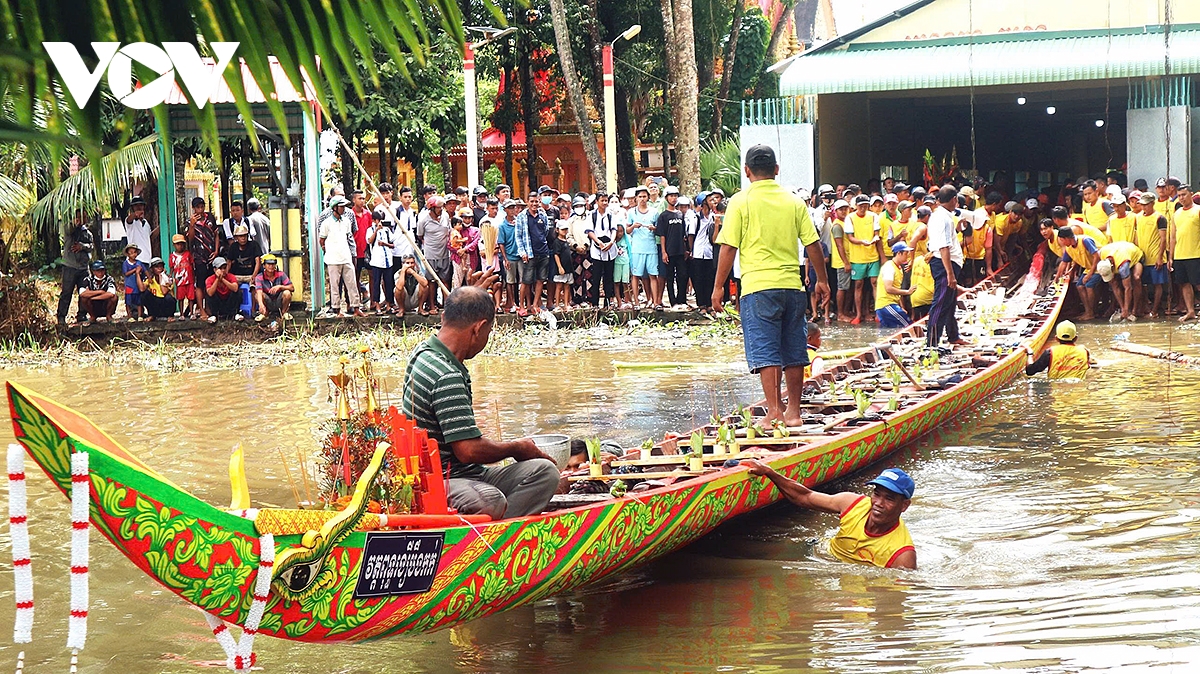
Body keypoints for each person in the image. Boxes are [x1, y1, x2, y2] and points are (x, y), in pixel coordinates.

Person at [401, 285, 559, 519]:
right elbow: (468, 450)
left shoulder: (422, 351)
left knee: (545, 472)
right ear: (479, 328)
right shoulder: (447, 375)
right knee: (490, 500)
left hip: (464, 474)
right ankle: (497, 540)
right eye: (489, 331)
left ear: (444, 317)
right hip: (443, 480)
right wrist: (517, 448)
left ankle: (502, 525)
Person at [711, 144, 829, 428]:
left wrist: (717, 288)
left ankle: (775, 411)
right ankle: (794, 413)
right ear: (776, 170)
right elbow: (812, 244)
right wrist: (822, 281)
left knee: (766, 349)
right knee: (793, 348)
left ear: (747, 171)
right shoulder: (794, 201)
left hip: (758, 286)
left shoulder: (739, 201)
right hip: (792, 285)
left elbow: (728, 248)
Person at [743, 460, 916, 569]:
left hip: (850, 587)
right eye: (876, 494)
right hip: (817, 551)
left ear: (904, 506)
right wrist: (769, 472)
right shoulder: (852, 503)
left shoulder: (903, 556)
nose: (878, 503)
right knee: (751, 552)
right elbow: (805, 496)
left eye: (889, 499)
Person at [927, 185, 967, 347]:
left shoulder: (943, 216)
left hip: (948, 263)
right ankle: (931, 343)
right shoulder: (942, 218)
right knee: (941, 303)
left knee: (949, 302)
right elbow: (944, 248)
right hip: (944, 264)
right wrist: (950, 274)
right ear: (954, 200)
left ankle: (953, 335)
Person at [318, 195, 366, 317]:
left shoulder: (346, 221)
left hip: (346, 256)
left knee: (352, 283)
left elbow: (349, 236)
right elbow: (321, 240)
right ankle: (337, 309)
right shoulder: (326, 223)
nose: (344, 209)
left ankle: (356, 307)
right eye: (341, 206)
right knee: (335, 285)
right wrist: (327, 250)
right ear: (335, 207)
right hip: (333, 259)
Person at [845, 195, 884, 324]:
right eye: (861, 205)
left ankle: (878, 313)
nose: (863, 208)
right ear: (856, 205)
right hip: (857, 257)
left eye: (865, 205)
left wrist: (875, 239)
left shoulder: (873, 216)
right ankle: (859, 314)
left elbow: (877, 234)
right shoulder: (850, 218)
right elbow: (850, 237)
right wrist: (862, 242)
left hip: (873, 255)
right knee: (859, 284)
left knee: (874, 283)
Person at [515, 192, 552, 315]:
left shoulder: (543, 214)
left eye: (536, 201)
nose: (534, 204)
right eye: (532, 201)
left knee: (541, 280)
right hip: (529, 253)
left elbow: (545, 231)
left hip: (543, 252)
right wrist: (522, 252)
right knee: (526, 281)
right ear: (527, 202)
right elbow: (518, 236)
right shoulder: (522, 216)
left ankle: (535, 305)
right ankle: (522, 305)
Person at [1056, 226, 1103, 321]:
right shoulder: (1069, 248)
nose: (1062, 243)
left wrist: (1090, 274)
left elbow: (1097, 256)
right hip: (1088, 268)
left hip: (1100, 265)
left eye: (1062, 240)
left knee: (1089, 285)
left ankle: (1092, 312)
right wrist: (1057, 277)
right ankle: (1088, 311)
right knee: (1079, 286)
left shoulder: (1085, 240)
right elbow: (1064, 262)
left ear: (1067, 238)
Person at [586, 193, 623, 309]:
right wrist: (598, 242)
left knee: (608, 277)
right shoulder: (591, 215)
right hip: (597, 250)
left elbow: (614, 230)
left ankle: (607, 302)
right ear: (597, 201)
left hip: (610, 249)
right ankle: (595, 303)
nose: (605, 203)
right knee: (596, 277)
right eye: (602, 200)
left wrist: (612, 242)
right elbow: (589, 231)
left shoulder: (611, 215)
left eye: (606, 200)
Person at [1134, 192, 1168, 317]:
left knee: (1157, 284)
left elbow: (1163, 239)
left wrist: (1160, 257)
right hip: (1142, 257)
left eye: (1146, 205)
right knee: (1143, 284)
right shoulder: (1137, 217)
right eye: (1142, 205)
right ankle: (1146, 308)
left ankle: (1154, 310)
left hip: (1155, 256)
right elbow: (1136, 236)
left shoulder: (1160, 218)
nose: (1143, 207)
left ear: (1152, 204)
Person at [416, 196, 452, 312]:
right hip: (430, 255)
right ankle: (432, 306)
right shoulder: (423, 220)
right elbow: (420, 235)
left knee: (445, 280)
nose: (441, 209)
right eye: (438, 208)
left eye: (442, 207)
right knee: (432, 281)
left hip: (445, 253)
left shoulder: (445, 216)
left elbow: (450, 231)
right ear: (432, 208)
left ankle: (447, 306)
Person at [1169, 183, 1200, 321]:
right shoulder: (1176, 213)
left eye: (1184, 195)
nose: (1181, 198)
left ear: (1191, 195)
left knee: (1198, 284)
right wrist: (1171, 257)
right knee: (1184, 283)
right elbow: (1173, 237)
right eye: (1179, 195)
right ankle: (1191, 311)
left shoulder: (1198, 210)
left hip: (1196, 253)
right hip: (1180, 255)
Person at [626, 185, 660, 309]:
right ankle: (636, 302)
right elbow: (627, 230)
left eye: (644, 196)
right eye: (640, 196)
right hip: (636, 248)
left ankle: (655, 302)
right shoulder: (631, 212)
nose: (642, 199)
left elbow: (659, 229)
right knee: (635, 275)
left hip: (651, 248)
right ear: (636, 198)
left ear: (648, 197)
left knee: (652, 275)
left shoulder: (654, 212)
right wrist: (633, 226)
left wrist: (653, 228)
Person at [57, 215, 94, 325]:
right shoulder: (69, 228)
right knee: (67, 292)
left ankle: (82, 314)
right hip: (70, 266)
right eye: (79, 217)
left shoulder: (88, 233)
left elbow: (91, 246)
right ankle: (61, 316)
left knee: (84, 291)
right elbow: (69, 229)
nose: (82, 219)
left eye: (84, 217)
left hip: (84, 267)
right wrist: (75, 222)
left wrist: (82, 246)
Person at [186, 197, 219, 322]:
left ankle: (208, 307)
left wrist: (216, 251)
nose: (200, 209)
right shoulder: (190, 220)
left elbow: (216, 235)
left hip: (211, 255)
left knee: (210, 281)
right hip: (199, 257)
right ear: (194, 208)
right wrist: (192, 224)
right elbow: (190, 238)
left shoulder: (210, 217)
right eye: (197, 207)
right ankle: (201, 309)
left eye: (202, 206)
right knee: (200, 284)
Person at [1024, 320, 1092, 379]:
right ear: (1076, 338)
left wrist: (1030, 353)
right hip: (1080, 391)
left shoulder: (1050, 352)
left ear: (1056, 338)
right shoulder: (1085, 352)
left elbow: (1030, 371)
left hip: (1055, 389)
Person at [657, 186, 689, 309]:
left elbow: (683, 235)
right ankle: (673, 301)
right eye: (671, 196)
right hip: (669, 251)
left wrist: (686, 249)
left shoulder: (681, 214)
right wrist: (664, 252)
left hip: (680, 251)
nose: (674, 198)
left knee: (682, 275)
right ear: (666, 198)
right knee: (669, 277)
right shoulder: (663, 216)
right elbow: (662, 235)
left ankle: (682, 299)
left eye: (675, 196)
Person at [1096, 241, 1143, 322]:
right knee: (1113, 283)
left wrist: (1126, 308)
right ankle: (1122, 309)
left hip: (1135, 256)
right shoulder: (1101, 254)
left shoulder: (1123, 266)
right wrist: (1123, 308)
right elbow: (1113, 283)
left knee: (1136, 278)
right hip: (1117, 254)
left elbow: (1128, 288)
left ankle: (1134, 310)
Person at [876, 242, 915, 329]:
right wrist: (907, 292)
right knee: (909, 326)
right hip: (886, 305)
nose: (908, 256)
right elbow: (888, 288)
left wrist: (901, 307)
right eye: (906, 253)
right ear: (898, 253)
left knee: (889, 330)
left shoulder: (899, 268)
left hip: (891, 304)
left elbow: (897, 289)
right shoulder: (889, 267)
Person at [365, 210, 395, 313]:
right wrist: (376, 231)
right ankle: (377, 305)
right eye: (378, 220)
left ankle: (388, 305)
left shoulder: (387, 230)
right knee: (376, 283)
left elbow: (393, 244)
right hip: (376, 261)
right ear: (373, 220)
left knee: (388, 283)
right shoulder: (370, 230)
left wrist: (384, 244)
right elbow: (369, 241)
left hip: (388, 261)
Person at [496, 199, 522, 313]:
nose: (512, 210)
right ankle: (512, 303)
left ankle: (521, 303)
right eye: (510, 208)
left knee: (523, 281)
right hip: (510, 256)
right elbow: (501, 243)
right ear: (505, 210)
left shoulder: (519, 223)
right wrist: (505, 258)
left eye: (513, 207)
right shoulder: (502, 226)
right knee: (510, 282)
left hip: (520, 256)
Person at [253, 254, 294, 321]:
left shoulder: (281, 274)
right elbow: (259, 291)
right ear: (264, 266)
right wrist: (260, 304)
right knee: (257, 295)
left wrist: (280, 287)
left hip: (279, 301)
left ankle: (284, 313)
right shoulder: (259, 277)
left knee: (287, 293)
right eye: (268, 264)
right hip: (268, 301)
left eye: (273, 264)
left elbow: (292, 288)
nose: (271, 266)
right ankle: (264, 313)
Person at [78, 260, 117, 324]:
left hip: (105, 304)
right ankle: (92, 316)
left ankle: (109, 316)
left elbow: (111, 293)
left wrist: (92, 296)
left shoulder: (109, 279)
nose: (100, 273)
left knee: (114, 297)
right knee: (84, 299)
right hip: (93, 305)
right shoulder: (87, 279)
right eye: (98, 271)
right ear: (93, 271)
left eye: (102, 270)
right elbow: (82, 293)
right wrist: (100, 292)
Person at [204, 257, 241, 321]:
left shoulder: (231, 276)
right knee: (208, 292)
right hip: (218, 303)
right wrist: (217, 279)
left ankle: (235, 313)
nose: (223, 270)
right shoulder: (209, 279)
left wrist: (223, 279)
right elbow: (210, 293)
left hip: (228, 302)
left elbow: (235, 288)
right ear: (215, 269)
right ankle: (214, 315)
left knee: (238, 291)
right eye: (220, 268)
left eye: (224, 268)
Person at [550, 221, 575, 311]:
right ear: (557, 230)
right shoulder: (557, 242)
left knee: (567, 286)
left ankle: (566, 304)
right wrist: (560, 267)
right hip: (561, 268)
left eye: (566, 229)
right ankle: (557, 305)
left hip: (568, 267)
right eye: (562, 229)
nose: (565, 231)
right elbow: (556, 254)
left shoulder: (566, 241)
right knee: (559, 286)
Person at [169, 234, 195, 319]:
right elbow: (172, 267)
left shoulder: (187, 254)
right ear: (174, 245)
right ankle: (181, 314)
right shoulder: (172, 256)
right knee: (180, 298)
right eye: (178, 244)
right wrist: (170, 275)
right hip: (179, 280)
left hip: (189, 279)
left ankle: (191, 313)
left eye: (182, 244)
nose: (180, 246)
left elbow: (192, 264)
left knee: (191, 297)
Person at [124, 196, 156, 264]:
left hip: (147, 259)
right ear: (132, 208)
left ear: (144, 206)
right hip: (134, 260)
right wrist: (135, 214)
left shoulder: (146, 223)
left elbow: (149, 237)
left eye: (140, 205)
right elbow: (129, 219)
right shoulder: (131, 222)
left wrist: (160, 227)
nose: (138, 207)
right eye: (136, 205)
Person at [121, 243, 146, 320]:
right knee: (128, 302)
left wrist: (149, 277)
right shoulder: (125, 263)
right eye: (131, 253)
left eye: (134, 252)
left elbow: (145, 270)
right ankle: (129, 316)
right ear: (128, 254)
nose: (133, 254)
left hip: (137, 285)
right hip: (129, 285)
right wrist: (135, 270)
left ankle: (139, 316)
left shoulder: (139, 263)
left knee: (139, 301)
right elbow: (126, 273)